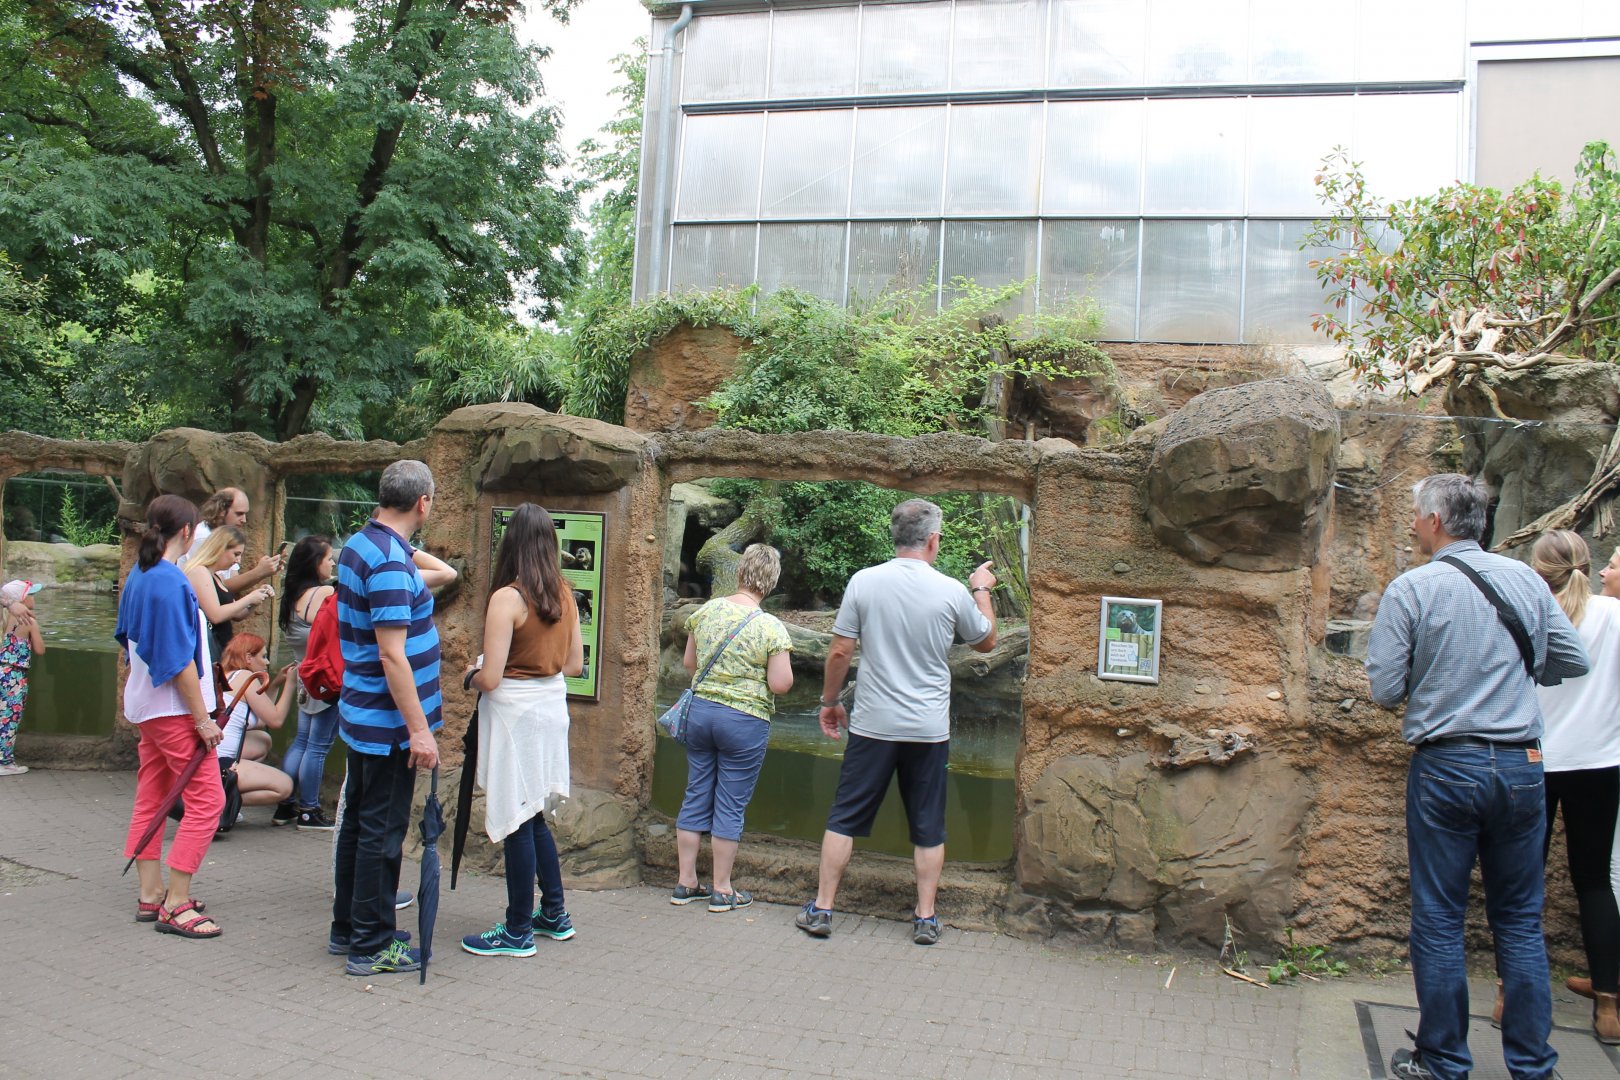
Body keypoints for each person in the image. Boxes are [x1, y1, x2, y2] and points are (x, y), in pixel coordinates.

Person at [1366, 474, 1588, 1080]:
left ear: (1435, 521)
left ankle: (1443, 1061)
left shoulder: (1410, 589)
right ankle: (1534, 1066)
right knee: (1519, 919)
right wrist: (1508, 675)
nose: (1411, 525)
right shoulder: (1524, 579)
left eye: (1415, 516)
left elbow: (1385, 689)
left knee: (1439, 916)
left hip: (1448, 765)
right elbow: (1573, 659)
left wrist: (1444, 679)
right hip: (1523, 765)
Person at [797, 499, 997, 946]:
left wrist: (829, 701)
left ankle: (823, 908)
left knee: (844, 818)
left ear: (895, 536)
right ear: (933, 539)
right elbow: (986, 642)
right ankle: (925, 917)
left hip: (872, 725)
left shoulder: (864, 582)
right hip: (928, 729)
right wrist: (981, 588)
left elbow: (839, 652)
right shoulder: (950, 590)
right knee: (929, 824)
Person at [330, 460, 456, 975]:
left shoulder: (365, 544)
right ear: (422, 503)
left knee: (359, 825)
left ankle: (351, 927)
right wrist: (420, 730)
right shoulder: (385, 561)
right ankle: (371, 945)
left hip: (365, 717)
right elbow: (392, 655)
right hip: (387, 726)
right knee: (380, 834)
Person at [461, 503, 584, 957]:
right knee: (532, 816)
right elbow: (573, 665)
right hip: (550, 713)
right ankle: (554, 912)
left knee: (515, 817)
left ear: (509, 542)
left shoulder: (507, 598)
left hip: (515, 716)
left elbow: (491, 678)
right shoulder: (565, 595)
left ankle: (517, 930)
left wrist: (469, 675)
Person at [117, 494, 226, 939]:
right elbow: (180, 661)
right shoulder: (170, 582)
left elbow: (128, 641)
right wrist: (203, 720)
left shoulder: (141, 575)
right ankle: (176, 903)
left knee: (153, 796)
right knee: (208, 803)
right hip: (175, 709)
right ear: (187, 531)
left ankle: (151, 892)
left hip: (149, 706)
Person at [1529, 530, 1620, 1043]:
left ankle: (1506, 993)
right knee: (1592, 881)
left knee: (1524, 879)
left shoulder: (1534, 612)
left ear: (1539, 570)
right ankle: (1608, 1005)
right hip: (1601, 761)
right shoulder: (1616, 616)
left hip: (1536, 760)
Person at [670, 544, 793, 913]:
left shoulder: (706, 611)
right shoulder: (771, 627)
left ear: (740, 572)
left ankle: (685, 882)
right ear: (770, 582)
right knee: (730, 802)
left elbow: (690, 663)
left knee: (696, 792)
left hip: (701, 714)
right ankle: (722, 890)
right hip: (744, 721)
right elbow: (781, 683)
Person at [277, 535, 340, 830]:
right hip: (323, 678)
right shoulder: (324, 593)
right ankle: (309, 810)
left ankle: (285, 801)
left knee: (302, 740)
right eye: (329, 559)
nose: (333, 563)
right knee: (318, 746)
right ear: (316, 563)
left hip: (303, 673)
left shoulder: (291, 595)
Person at [218, 633, 296, 814]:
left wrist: (275, 684)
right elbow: (275, 720)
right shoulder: (246, 677)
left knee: (263, 740)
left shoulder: (227, 675)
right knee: (284, 786)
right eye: (263, 656)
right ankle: (222, 804)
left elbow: (260, 721)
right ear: (248, 658)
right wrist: (291, 685)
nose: (267, 662)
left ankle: (223, 798)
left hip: (211, 754)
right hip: (220, 762)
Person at [183, 525, 273, 666]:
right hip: (208, 651)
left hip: (221, 649)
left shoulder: (216, 576)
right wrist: (249, 598)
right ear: (220, 548)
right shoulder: (199, 572)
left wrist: (257, 598)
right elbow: (216, 615)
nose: (238, 561)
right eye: (236, 554)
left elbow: (236, 614)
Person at [182, 487, 283, 591]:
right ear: (221, 510)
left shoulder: (226, 537)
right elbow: (220, 586)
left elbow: (232, 581)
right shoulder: (203, 537)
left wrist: (264, 572)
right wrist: (259, 572)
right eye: (239, 514)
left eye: (245, 514)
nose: (244, 520)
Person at [0, 580, 45, 776]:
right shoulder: (29, 622)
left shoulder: (3, 619)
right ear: (21, 600)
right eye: (31, 594)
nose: (34, 598)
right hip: (15, 677)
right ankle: (5, 761)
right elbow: (40, 650)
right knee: (9, 719)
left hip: (1, 670)